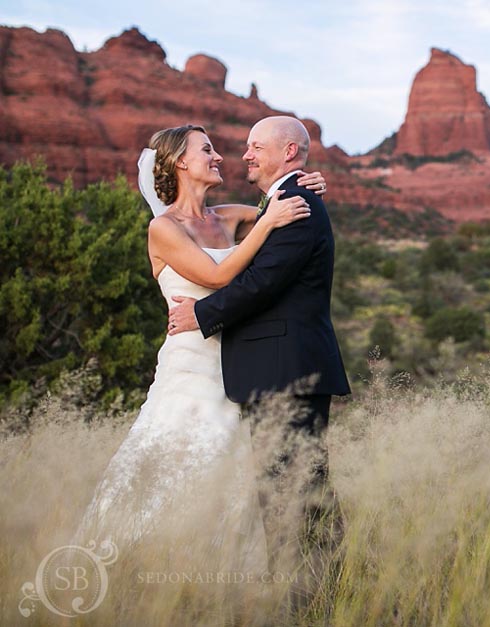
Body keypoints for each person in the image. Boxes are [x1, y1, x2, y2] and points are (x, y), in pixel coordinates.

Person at [74, 124, 329, 574]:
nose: (220, 157)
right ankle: (139, 571)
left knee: (234, 478)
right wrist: (267, 221)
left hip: (234, 368)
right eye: (206, 150)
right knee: (175, 470)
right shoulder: (163, 228)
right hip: (189, 366)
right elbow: (218, 277)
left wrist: (310, 182)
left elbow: (281, 208)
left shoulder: (228, 216)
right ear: (180, 163)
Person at [166, 116, 351, 578]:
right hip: (266, 370)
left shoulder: (296, 203)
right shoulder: (272, 205)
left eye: (255, 146)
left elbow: (263, 282)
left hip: (287, 371)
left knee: (297, 491)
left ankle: (312, 597)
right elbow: (251, 263)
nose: (243, 155)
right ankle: (310, 590)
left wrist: (201, 315)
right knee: (290, 489)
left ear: (288, 152)